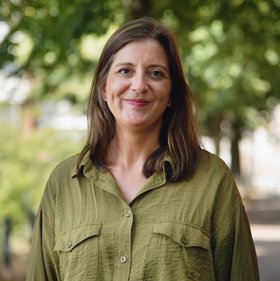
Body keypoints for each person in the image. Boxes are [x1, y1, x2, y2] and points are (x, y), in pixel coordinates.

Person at [26, 17, 259, 281]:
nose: (139, 85)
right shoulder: (63, 184)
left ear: (171, 93)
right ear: (104, 87)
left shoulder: (212, 180)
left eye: (156, 73)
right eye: (125, 71)